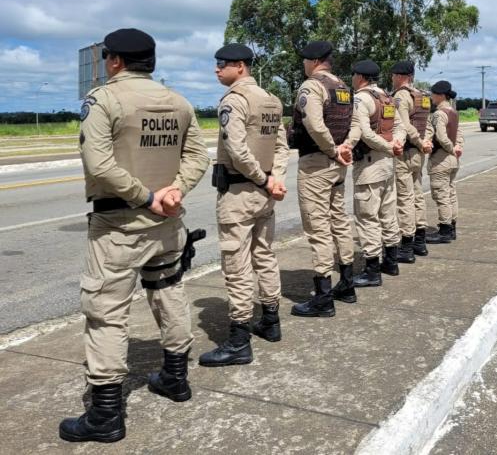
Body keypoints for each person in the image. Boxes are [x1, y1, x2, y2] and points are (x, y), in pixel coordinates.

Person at [60, 28, 210, 443]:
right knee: (169, 294)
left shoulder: (104, 99)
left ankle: (106, 415)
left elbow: (99, 164)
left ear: (113, 61)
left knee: (106, 311)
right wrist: (174, 190)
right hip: (166, 225)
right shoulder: (178, 102)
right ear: (152, 61)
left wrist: (145, 197)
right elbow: (199, 155)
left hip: (120, 227)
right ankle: (176, 378)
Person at [199, 44, 290, 367]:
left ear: (240, 66)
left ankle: (239, 340)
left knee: (236, 265)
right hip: (265, 191)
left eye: (221, 64)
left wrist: (264, 180)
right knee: (264, 255)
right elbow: (281, 146)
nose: (216, 70)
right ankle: (270, 319)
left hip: (240, 192)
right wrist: (274, 179)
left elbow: (236, 149)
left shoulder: (234, 101)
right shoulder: (272, 100)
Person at [289, 41, 356, 317]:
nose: (304, 65)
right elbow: (354, 124)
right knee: (339, 221)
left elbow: (314, 124)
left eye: (305, 60)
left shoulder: (312, 86)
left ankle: (323, 297)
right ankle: (347, 284)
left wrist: (331, 149)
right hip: (338, 164)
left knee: (318, 228)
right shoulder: (342, 87)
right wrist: (345, 148)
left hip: (317, 163)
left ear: (314, 61)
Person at [344, 60, 406, 287]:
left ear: (359, 77)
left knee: (367, 217)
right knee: (388, 213)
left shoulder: (361, 99)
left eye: (353, 76)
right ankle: (390, 261)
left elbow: (364, 132)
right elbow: (399, 126)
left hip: (370, 165)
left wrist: (391, 146)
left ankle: (372, 270)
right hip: (388, 163)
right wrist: (396, 144)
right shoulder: (387, 98)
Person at [390, 60, 431, 261]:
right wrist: (425, 142)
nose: (392, 79)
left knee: (405, 198)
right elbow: (428, 124)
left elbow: (404, 126)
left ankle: (406, 246)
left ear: (399, 76)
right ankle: (420, 241)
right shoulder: (422, 96)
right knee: (418, 195)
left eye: (393, 75)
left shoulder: (401, 96)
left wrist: (419, 141)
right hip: (419, 154)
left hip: (406, 152)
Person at [424, 80, 463, 244]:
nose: (431, 97)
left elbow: (440, 136)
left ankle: (445, 230)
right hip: (453, 161)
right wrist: (457, 147)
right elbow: (459, 134)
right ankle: (452, 227)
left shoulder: (439, 114)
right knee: (451, 194)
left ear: (440, 95)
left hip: (441, 159)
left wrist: (450, 147)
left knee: (441, 196)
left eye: (433, 94)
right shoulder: (453, 112)